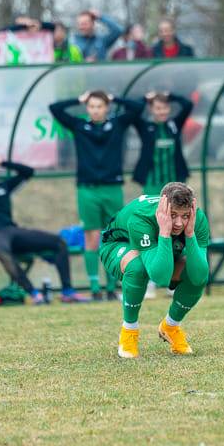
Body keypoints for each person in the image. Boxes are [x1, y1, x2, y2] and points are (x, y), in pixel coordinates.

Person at [0, 154, 88, 304]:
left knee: (59, 242)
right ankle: (33, 293)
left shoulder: (4, 187)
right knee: (4, 253)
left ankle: (67, 292)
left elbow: (28, 172)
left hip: (12, 231)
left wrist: (3, 162)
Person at [49, 90, 145, 301]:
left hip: (112, 189)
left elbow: (138, 108)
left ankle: (111, 286)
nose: (95, 110)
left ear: (106, 108)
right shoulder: (79, 126)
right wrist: (78, 98)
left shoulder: (117, 124)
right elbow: (55, 109)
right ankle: (94, 287)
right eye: (91, 106)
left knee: (113, 236)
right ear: (87, 108)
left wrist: (114, 97)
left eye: (100, 106)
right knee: (91, 237)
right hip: (87, 190)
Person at [99, 183, 209, 358]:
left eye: (185, 216)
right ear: (162, 209)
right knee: (138, 267)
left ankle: (170, 326)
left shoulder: (198, 218)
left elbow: (200, 276)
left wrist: (190, 234)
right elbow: (160, 277)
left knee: (194, 270)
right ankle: (129, 330)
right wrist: (164, 232)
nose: (179, 223)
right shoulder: (141, 217)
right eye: (173, 215)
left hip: (161, 245)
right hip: (119, 244)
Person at [133, 91, 194, 195]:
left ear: (169, 108)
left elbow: (188, 105)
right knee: (154, 205)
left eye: (165, 108)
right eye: (158, 108)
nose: (162, 112)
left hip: (175, 180)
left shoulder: (175, 124)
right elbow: (133, 110)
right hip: (152, 181)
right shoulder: (144, 126)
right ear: (151, 109)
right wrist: (145, 98)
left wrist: (171, 96)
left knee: (176, 205)